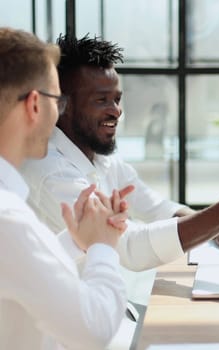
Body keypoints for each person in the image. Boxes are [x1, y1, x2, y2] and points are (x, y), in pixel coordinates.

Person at [20, 33, 219, 273]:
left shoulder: (100, 156)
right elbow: (130, 249)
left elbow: (155, 206)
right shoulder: (51, 172)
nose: (116, 111)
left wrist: (214, 227)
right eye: (101, 100)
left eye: (117, 99)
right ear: (62, 104)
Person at [0, 27, 132, 349]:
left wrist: (76, 240)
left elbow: (19, 269)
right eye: (56, 99)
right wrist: (102, 246)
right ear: (34, 105)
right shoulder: (9, 217)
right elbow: (94, 328)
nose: (60, 112)